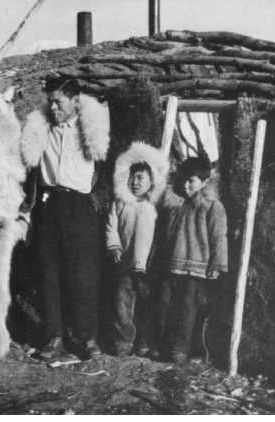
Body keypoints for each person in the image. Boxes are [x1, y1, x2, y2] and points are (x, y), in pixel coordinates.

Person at [19, 78, 118, 360]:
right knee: (49, 273)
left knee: (84, 274)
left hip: (81, 206)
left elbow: (112, 168)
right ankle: (54, 337)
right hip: (49, 205)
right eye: (50, 100)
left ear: (75, 101)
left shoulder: (93, 131)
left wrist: (97, 199)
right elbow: (29, 171)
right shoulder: (40, 130)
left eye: (58, 101)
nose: (53, 107)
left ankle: (87, 338)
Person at [159, 157, 228, 362]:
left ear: (205, 182)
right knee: (163, 304)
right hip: (172, 264)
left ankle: (180, 348)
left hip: (196, 267)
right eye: (182, 180)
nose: (185, 185)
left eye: (191, 181)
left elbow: (218, 236)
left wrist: (217, 264)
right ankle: (162, 344)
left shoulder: (212, 206)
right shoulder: (175, 202)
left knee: (186, 307)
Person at [105, 142, 169, 357]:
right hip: (125, 264)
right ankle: (123, 340)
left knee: (147, 305)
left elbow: (160, 235)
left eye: (141, 178)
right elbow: (111, 226)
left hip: (148, 266)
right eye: (132, 177)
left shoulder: (154, 207)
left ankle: (144, 340)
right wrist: (114, 247)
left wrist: (155, 257)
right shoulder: (121, 203)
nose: (135, 182)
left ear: (152, 181)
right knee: (123, 303)